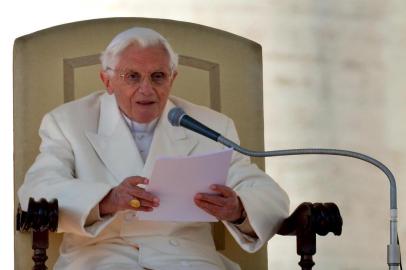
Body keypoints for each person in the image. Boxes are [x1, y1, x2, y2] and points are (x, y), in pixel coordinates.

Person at [18, 27, 289, 270]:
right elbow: (37, 189)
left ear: (172, 78)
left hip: (188, 258)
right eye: (132, 77)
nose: (146, 89)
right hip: (101, 257)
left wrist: (239, 209)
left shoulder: (211, 125)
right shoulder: (67, 122)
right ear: (107, 81)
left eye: (158, 76)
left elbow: (268, 195)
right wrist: (107, 200)